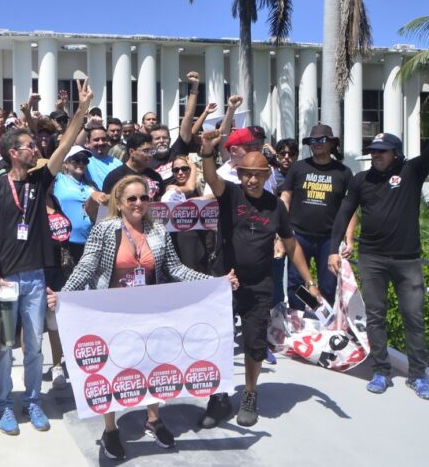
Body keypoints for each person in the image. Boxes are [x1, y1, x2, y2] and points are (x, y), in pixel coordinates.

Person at [53, 175, 238, 460]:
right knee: (110, 370)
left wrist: (216, 282)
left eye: (144, 197)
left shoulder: (157, 229)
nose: (138, 203)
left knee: (153, 363)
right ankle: (111, 430)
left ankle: (153, 420)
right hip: (110, 312)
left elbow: (176, 269)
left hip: (149, 312)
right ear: (119, 202)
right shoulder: (105, 229)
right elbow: (87, 266)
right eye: (132, 199)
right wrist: (64, 295)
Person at [328, 84, 429, 401]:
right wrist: (334, 248)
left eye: (381, 151)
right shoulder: (362, 180)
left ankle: (418, 377)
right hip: (372, 258)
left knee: (413, 317)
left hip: (407, 260)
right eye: (372, 151)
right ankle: (381, 372)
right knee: (375, 316)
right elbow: (344, 212)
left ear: (395, 153)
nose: (375, 156)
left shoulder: (412, 170)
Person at [0, 77, 92, 436]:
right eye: (30, 145)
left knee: (34, 347)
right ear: (14, 151)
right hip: (6, 280)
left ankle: (32, 401)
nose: (36, 148)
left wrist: (81, 110)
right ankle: (3, 405)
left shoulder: (39, 180)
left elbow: (62, 146)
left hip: (35, 278)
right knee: (4, 347)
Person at [199, 129, 323, 428]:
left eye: (257, 175)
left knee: (255, 344)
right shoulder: (230, 195)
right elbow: (212, 177)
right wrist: (206, 151)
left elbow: (291, 245)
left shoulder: (275, 206)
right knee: (218, 341)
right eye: (246, 175)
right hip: (225, 282)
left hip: (259, 285)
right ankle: (218, 396)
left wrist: (310, 282)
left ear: (267, 174)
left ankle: (250, 395)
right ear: (239, 174)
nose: (251, 180)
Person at [280, 125, 353, 309]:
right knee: (295, 284)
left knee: (329, 286)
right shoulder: (298, 168)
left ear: (330, 143)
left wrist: (349, 239)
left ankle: (322, 321)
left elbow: (350, 208)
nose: (317, 144)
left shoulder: (343, 172)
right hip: (299, 236)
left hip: (329, 239)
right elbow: (285, 199)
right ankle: (299, 321)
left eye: (321, 140)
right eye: (313, 141)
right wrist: (280, 231)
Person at [52, 146, 105, 264]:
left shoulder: (91, 185)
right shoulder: (58, 180)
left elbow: (103, 212)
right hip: (66, 243)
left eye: (85, 160)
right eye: (76, 159)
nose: (81, 163)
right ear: (65, 163)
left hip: (91, 243)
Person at [101, 132, 165, 200]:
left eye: (152, 151)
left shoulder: (155, 176)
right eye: (146, 151)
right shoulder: (115, 177)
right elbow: (106, 204)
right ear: (132, 152)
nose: (150, 155)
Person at [84, 126, 122, 190]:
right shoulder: (83, 162)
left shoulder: (118, 163)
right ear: (88, 142)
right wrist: (87, 126)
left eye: (103, 139)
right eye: (96, 140)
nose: (101, 143)